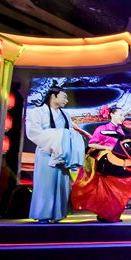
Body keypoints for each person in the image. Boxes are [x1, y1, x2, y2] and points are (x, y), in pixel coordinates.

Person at [25, 85, 85, 223]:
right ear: (53, 96)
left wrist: (66, 139)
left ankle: (58, 214)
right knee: (45, 185)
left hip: (63, 156)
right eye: (64, 97)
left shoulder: (65, 115)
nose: (66, 100)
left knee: (61, 184)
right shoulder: (37, 112)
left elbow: (70, 133)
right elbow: (33, 132)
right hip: (46, 152)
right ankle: (43, 215)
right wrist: (57, 138)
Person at [71, 106, 131, 222]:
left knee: (124, 187)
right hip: (107, 161)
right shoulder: (102, 128)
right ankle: (106, 214)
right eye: (120, 115)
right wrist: (107, 147)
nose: (123, 117)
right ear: (112, 114)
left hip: (121, 162)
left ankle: (114, 214)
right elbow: (92, 144)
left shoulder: (123, 131)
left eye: (123, 115)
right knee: (107, 191)